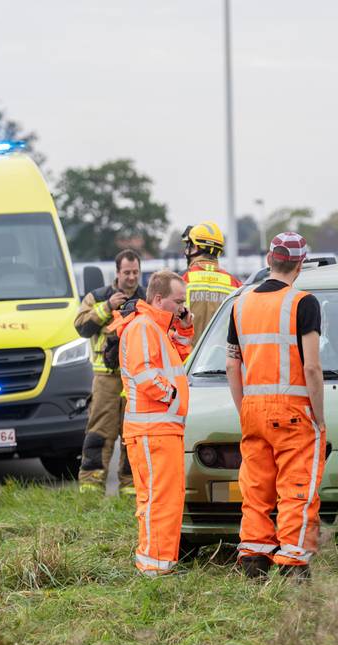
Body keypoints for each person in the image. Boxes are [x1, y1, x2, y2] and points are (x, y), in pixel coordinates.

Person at [226, 232, 325, 580]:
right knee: (296, 488)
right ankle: (293, 563)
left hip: (252, 408)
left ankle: (254, 557)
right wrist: (319, 417)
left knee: (255, 488)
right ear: (300, 264)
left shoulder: (240, 304)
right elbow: (312, 368)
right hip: (294, 411)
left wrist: (244, 408)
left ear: (269, 260)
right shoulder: (304, 303)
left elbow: (232, 365)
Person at [117, 270, 194, 576]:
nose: (182, 307)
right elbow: (146, 374)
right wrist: (173, 397)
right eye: (178, 301)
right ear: (159, 299)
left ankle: (162, 563)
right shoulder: (143, 327)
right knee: (158, 500)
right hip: (152, 429)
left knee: (167, 499)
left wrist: (184, 329)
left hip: (161, 429)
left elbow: (177, 359)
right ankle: (154, 565)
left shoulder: (157, 328)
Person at [74, 249, 145, 495]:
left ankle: (130, 486)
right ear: (117, 273)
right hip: (106, 379)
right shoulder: (98, 297)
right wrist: (107, 307)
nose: (132, 277)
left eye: (135, 272)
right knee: (99, 432)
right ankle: (91, 485)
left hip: (136, 379)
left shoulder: (147, 299)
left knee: (133, 435)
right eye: (127, 272)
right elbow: (81, 327)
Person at [180, 222, 241, 338]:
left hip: (188, 350)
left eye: (189, 245)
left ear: (196, 247)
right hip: (221, 350)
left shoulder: (180, 280)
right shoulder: (236, 284)